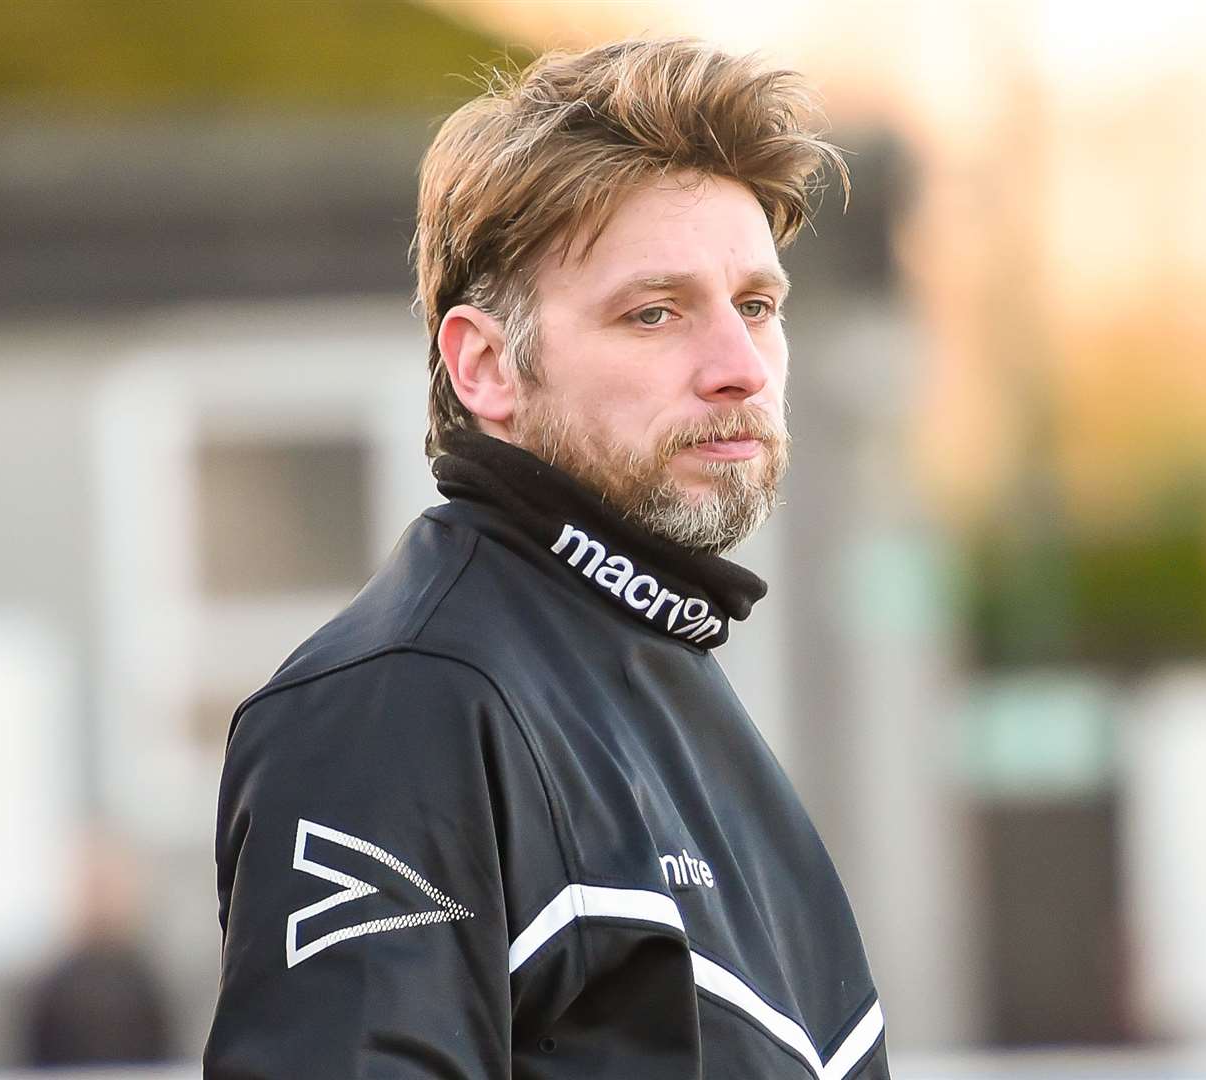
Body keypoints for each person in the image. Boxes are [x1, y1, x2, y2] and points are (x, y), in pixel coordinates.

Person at [205, 37, 889, 1079]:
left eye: (756, 306)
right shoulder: (403, 703)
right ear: (485, 365)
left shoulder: (677, 688)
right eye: (653, 313)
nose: (739, 369)